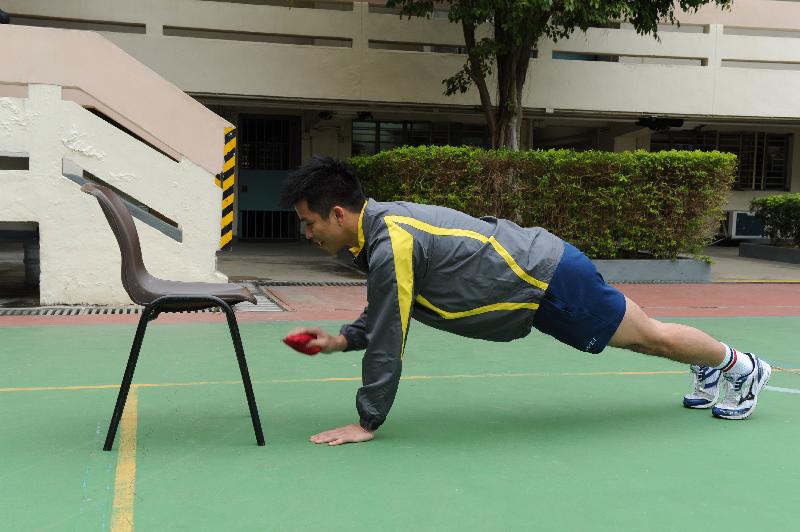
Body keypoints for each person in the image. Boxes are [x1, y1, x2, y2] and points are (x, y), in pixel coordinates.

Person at [280, 156, 771, 446]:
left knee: (652, 338)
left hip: (549, 277)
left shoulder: (392, 241)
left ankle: (740, 366)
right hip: (536, 284)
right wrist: (341, 342)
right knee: (644, 340)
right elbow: (388, 309)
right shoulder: (378, 236)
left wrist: (368, 420)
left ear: (339, 213)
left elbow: (390, 331)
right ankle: (712, 369)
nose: (308, 233)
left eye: (309, 221)